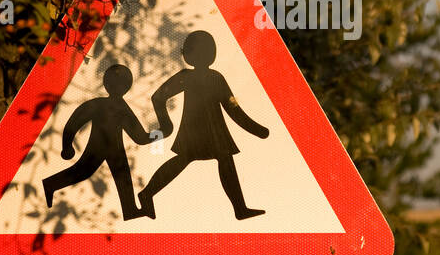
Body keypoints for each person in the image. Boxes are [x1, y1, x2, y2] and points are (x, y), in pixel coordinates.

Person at [139, 30, 269, 220]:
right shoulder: (192, 77)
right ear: (189, 55)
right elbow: (158, 97)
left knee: (221, 159)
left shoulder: (215, 78)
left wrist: (255, 129)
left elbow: (232, 107)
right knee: (198, 159)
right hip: (197, 130)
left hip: (213, 130)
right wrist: (165, 124)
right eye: (204, 51)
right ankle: (147, 193)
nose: (208, 54)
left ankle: (240, 209)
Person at [42, 64, 153, 221]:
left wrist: (158, 134)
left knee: (123, 177)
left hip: (115, 148)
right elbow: (74, 122)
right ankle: (50, 184)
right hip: (99, 147)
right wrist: (67, 146)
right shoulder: (104, 105)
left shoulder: (115, 106)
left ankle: (130, 209)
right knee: (83, 171)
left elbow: (139, 137)